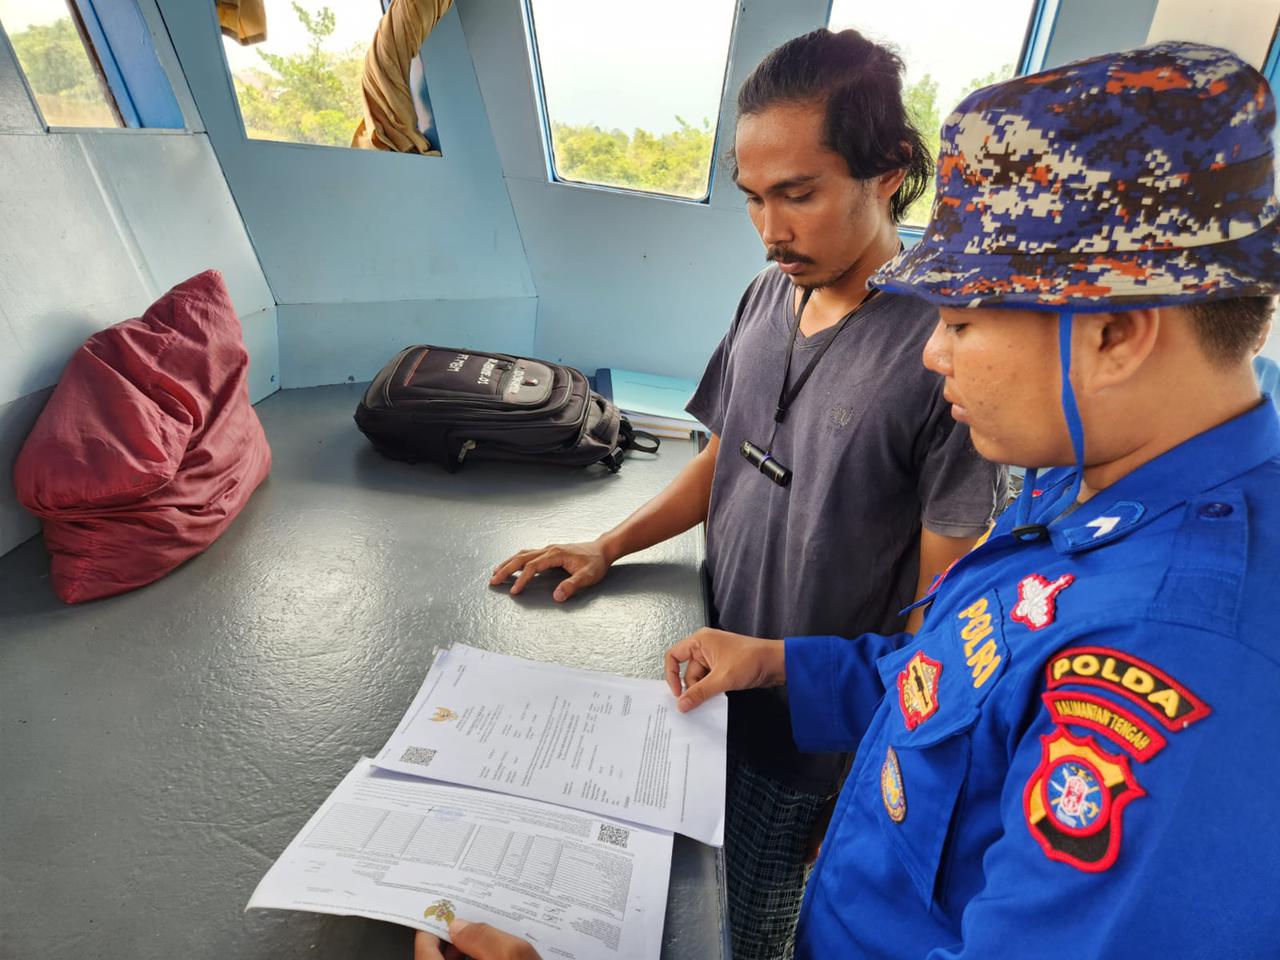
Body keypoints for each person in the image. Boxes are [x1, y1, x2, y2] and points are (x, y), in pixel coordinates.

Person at [659, 40, 1280, 956]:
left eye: (960, 322)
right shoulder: (1093, 478)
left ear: (1114, 334)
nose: (931, 353)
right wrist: (777, 663)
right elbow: (957, 678)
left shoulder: (1182, 655)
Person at [488, 28, 1003, 959]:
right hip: (707, 681)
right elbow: (725, 460)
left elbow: (938, 621)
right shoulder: (769, 295)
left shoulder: (944, 352)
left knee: (752, 928)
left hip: (808, 742)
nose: (772, 230)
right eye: (755, 199)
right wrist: (609, 544)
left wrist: (857, 777)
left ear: (887, 172)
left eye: (798, 195)